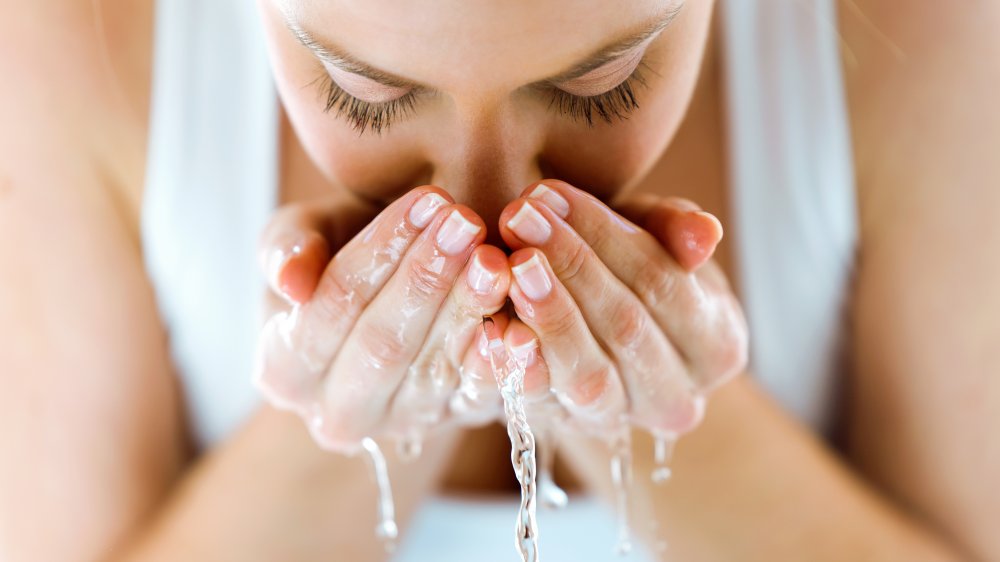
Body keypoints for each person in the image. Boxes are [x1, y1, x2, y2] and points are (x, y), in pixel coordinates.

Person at [1, 0, 997, 560]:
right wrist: (363, 420)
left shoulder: (927, 38)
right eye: (367, 92)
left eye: (600, 85)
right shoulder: (72, 47)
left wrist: (643, 406)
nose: (486, 207)